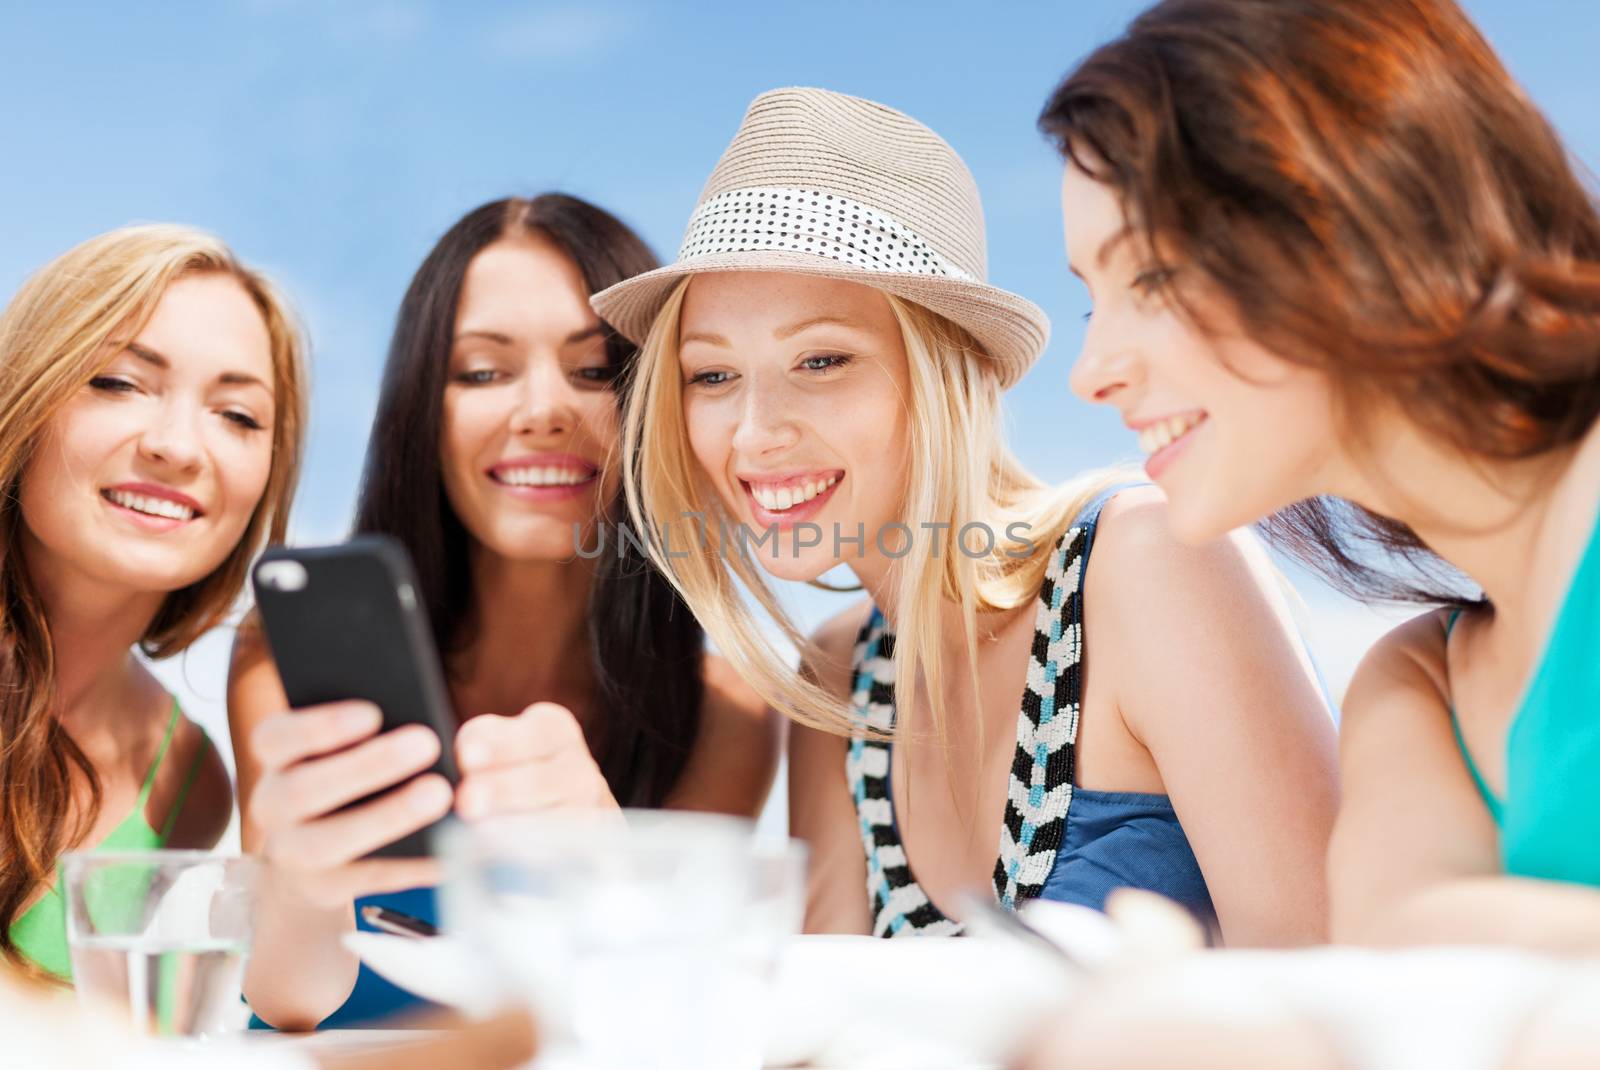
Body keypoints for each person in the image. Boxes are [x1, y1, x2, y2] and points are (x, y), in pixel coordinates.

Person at [596, 87, 1338, 944]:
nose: (755, 433)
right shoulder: (838, 680)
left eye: (823, 359)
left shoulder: (1148, 562)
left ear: (951, 371)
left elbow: (1336, 1000)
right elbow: (832, 1027)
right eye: (712, 376)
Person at [1041, 0, 1600, 951]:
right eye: (1092, 300)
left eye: (1152, 279)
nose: (1091, 371)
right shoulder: (1417, 685)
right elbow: (1401, 988)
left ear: (1359, 216)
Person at [232, 194, 779, 1029]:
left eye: (595, 371)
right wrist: (298, 893)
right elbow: (287, 1006)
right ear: (424, 411)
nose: (543, 411)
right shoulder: (284, 660)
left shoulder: (728, 713)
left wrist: (610, 871)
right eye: (483, 371)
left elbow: (660, 1030)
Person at [0, 224, 305, 980]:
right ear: (25, 395)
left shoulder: (190, 781)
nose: (177, 446)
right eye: (118, 382)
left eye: (237, 416)